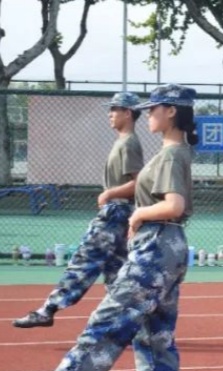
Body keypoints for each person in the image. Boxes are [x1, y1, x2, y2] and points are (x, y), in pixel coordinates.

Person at [1, 84, 199, 371]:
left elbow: (174, 205)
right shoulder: (174, 151)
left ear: (171, 111)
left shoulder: (171, 154)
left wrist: (139, 213)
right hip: (165, 247)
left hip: (156, 246)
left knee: (106, 323)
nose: (148, 114)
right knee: (154, 340)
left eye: (154, 108)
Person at [13, 92, 144, 328]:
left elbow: (139, 182)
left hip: (115, 212)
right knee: (117, 272)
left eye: (114, 109)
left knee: (85, 260)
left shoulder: (128, 143)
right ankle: (130, 324)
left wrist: (109, 194)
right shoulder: (123, 142)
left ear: (127, 113)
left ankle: (48, 310)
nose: (110, 114)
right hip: (120, 213)